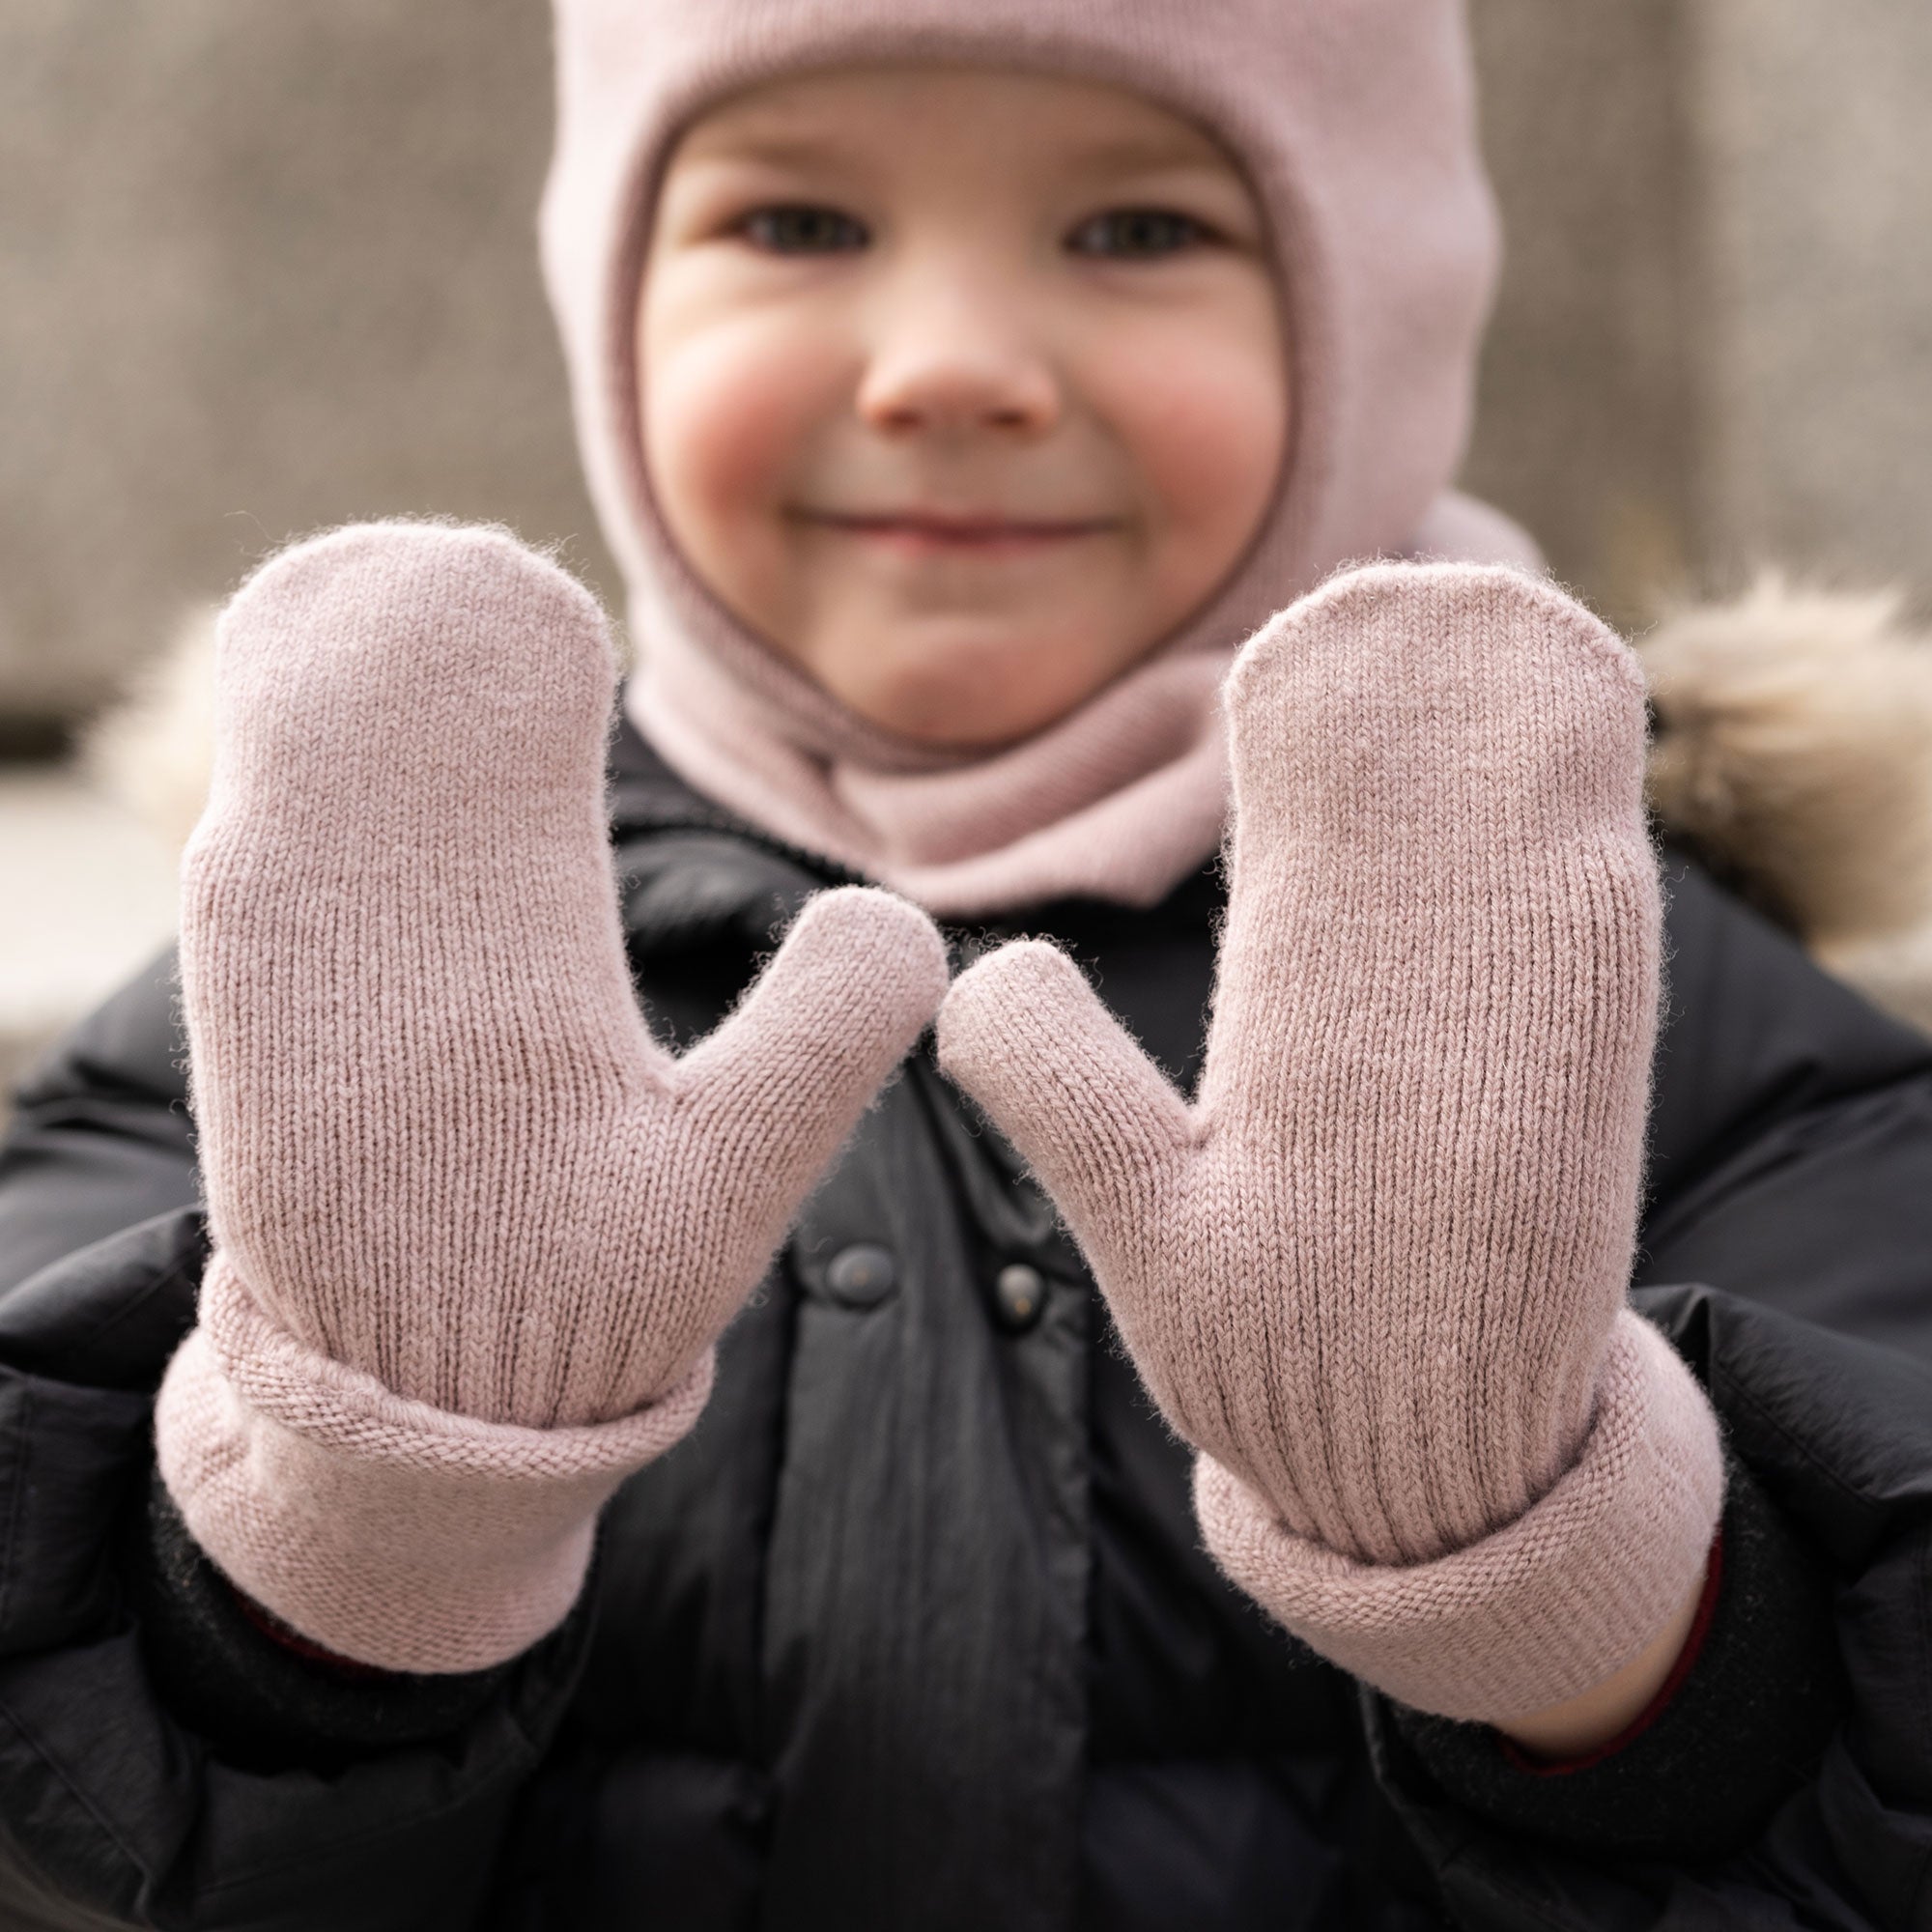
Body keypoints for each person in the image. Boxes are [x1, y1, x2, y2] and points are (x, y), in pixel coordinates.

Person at [1, 1, 1929, 1925]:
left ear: (1380, 305)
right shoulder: (327, 998)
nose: (946, 367)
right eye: (799, 226)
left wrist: (1563, 1591)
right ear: (609, 301)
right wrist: (339, 1531)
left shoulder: (1670, 1016)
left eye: (1135, 233)